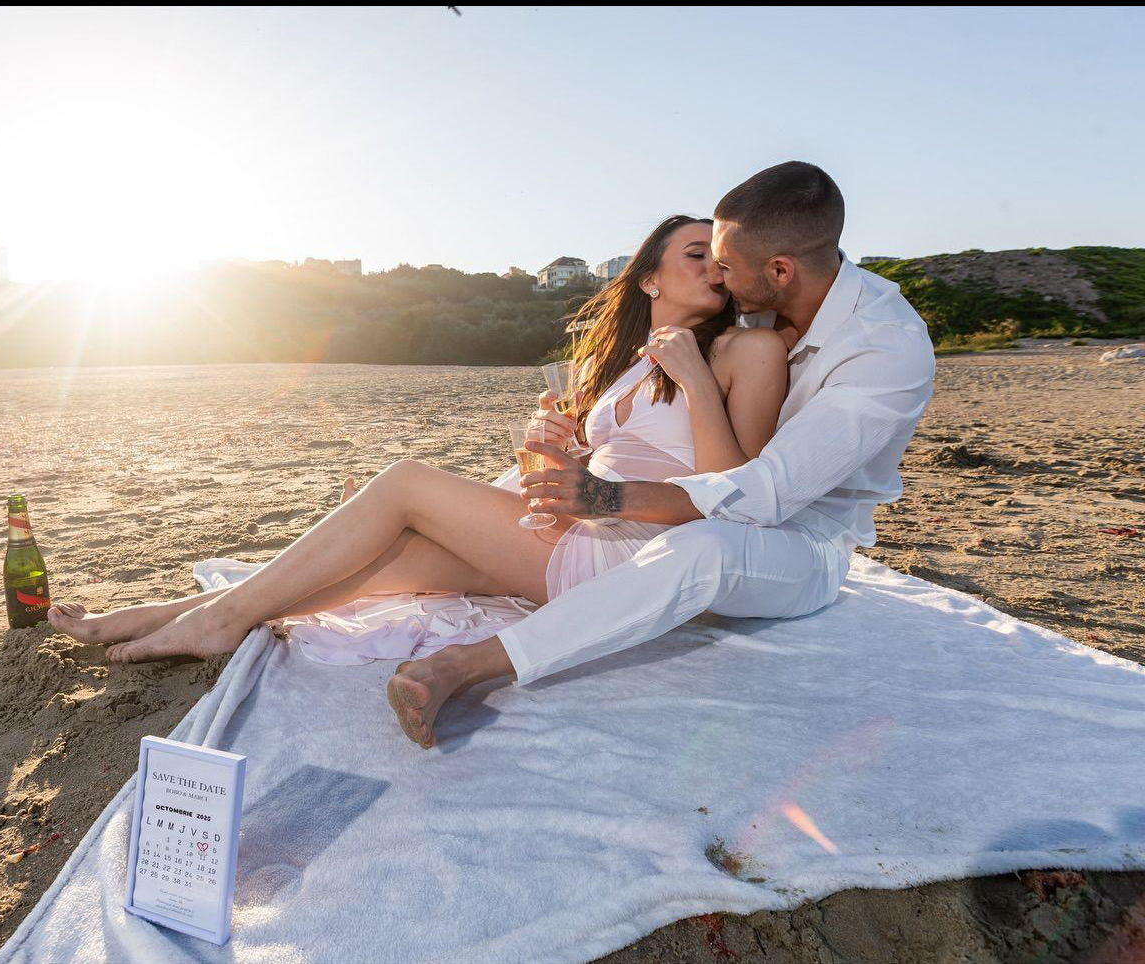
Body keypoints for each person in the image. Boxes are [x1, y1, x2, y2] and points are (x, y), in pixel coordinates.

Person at [46, 215, 789, 672]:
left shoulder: (743, 354)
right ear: (651, 277)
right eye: (698, 254)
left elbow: (736, 503)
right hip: (582, 536)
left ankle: (218, 621)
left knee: (402, 483)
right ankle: (173, 613)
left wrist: (694, 379)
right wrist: (557, 456)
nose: (716, 269)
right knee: (388, 560)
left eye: (721, 260)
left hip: (641, 565)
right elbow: (602, 474)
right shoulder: (630, 368)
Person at [386, 161, 936, 748]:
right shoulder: (759, 308)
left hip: (805, 540)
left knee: (704, 547)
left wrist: (608, 497)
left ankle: (465, 666)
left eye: (724, 264)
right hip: (717, 499)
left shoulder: (885, 350)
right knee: (509, 498)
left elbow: (767, 495)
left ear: (779, 270)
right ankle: (398, 530)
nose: (717, 275)